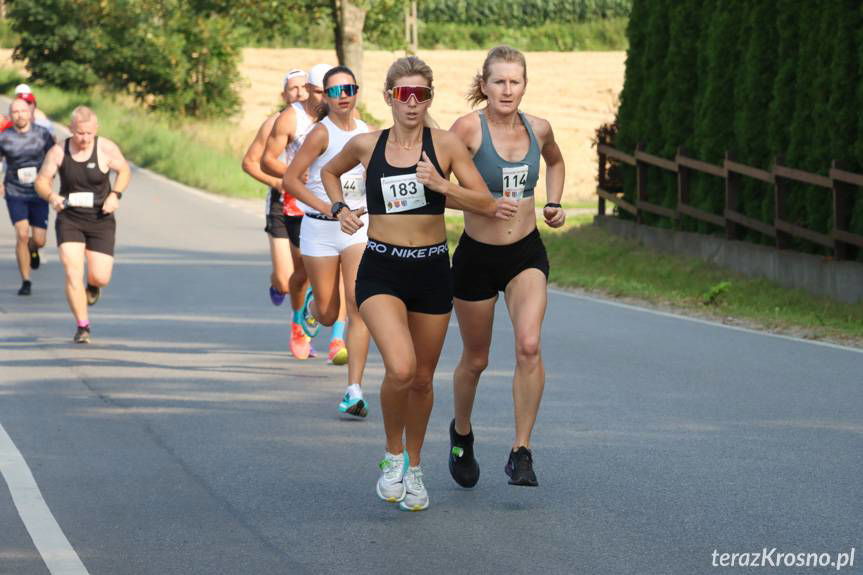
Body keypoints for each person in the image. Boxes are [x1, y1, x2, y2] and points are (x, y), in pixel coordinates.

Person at [320, 56, 517, 511]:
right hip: (382, 268)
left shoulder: (445, 145)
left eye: (421, 95)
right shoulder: (367, 145)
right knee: (402, 369)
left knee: (424, 380)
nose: (412, 103)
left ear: (430, 98)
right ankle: (392, 456)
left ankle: (415, 467)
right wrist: (338, 209)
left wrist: (441, 185)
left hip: (430, 269)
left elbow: (486, 203)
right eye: (404, 94)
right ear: (389, 97)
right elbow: (330, 173)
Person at [448, 45, 566, 488]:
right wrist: (479, 201)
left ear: (524, 85)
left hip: (525, 254)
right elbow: (437, 185)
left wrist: (553, 202)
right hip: (476, 258)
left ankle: (521, 451)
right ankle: (461, 433)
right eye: (498, 81)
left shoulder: (539, 128)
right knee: (476, 359)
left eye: (515, 81)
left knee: (529, 345)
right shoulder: (466, 130)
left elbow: (554, 160)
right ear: (484, 85)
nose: (507, 89)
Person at [283, 66, 372, 417]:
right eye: (335, 90)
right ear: (326, 96)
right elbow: (292, 180)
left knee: (357, 303)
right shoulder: (321, 133)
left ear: (356, 91)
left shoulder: (367, 133)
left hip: (356, 230)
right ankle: (310, 309)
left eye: (349, 88)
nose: (343, 95)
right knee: (328, 310)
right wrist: (329, 207)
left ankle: (353, 390)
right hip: (319, 228)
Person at [35, 106, 131, 344]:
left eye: (88, 133)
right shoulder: (59, 151)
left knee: (101, 277)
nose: (84, 138)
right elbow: (42, 181)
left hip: (101, 218)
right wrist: (52, 197)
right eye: (79, 133)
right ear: (71, 130)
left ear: (95, 130)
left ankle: (93, 286)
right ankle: (83, 325)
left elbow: (124, 170)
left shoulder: (106, 148)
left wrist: (115, 194)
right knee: (72, 271)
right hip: (70, 218)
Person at [242, 68, 317, 359]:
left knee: (306, 271)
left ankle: (299, 325)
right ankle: (277, 282)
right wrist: (279, 183)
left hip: (308, 203)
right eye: (292, 89)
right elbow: (250, 163)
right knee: (286, 279)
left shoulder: (320, 122)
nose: (297, 93)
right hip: (280, 202)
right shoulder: (274, 123)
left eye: (302, 88)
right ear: (283, 94)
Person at [0, 98, 55, 295]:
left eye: (23, 111)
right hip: (15, 191)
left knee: (39, 240)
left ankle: (34, 249)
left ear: (30, 113)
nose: (20, 115)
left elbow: (54, 157)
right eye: (15, 112)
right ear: (11, 115)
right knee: (22, 234)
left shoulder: (42, 134)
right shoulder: (4, 137)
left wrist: (51, 178)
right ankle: (26, 280)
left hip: (39, 191)